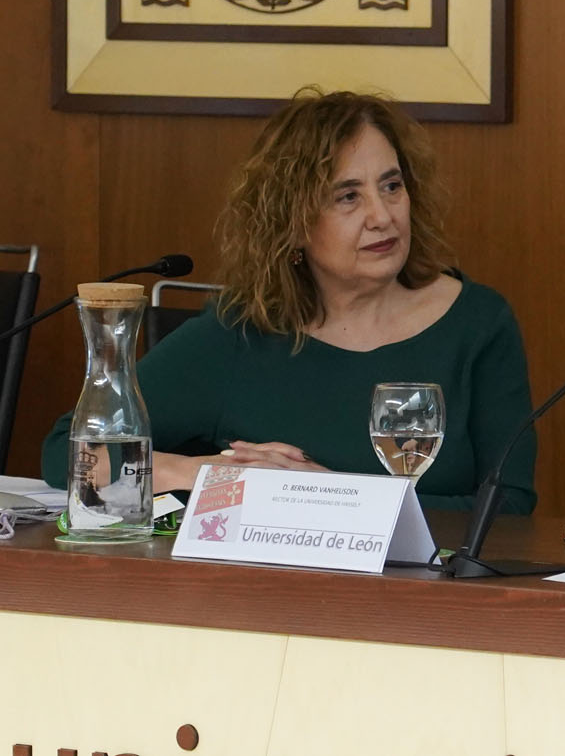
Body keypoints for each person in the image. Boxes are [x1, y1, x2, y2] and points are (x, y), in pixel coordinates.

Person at [42, 90, 537, 513]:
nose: (383, 216)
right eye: (348, 196)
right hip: (264, 601)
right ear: (294, 223)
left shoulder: (477, 323)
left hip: (436, 602)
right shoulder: (241, 334)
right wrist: (194, 472)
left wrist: (320, 490)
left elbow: (508, 506)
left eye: (392, 186)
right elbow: (70, 453)